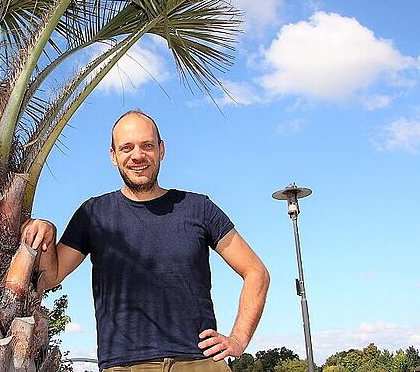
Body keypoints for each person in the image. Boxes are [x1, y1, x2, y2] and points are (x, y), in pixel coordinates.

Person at [22, 110, 270, 372]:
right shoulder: (93, 213)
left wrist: (239, 339)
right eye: (126, 147)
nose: (137, 155)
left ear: (161, 150)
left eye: (147, 145)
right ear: (113, 155)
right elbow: (50, 277)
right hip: (125, 365)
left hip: (199, 362)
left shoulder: (198, 208)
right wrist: (46, 230)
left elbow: (256, 272)